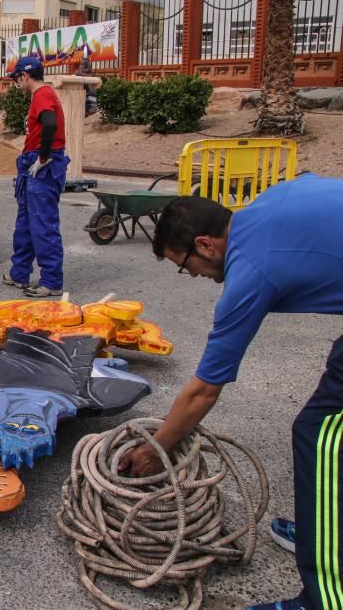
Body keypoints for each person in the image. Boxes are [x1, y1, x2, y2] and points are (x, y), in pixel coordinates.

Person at [120, 175, 343, 610]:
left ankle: (323, 599)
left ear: (206, 244)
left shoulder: (250, 272)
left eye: (186, 265)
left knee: (319, 434)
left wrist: (154, 449)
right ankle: (326, 529)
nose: (194, 276)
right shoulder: (275, 199)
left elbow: (203, 391)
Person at [4, 56, 70, 297]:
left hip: (43, 166)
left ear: (24, 76)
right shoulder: (42, 95)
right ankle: (19, 273)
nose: (17, 85)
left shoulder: (42, 94)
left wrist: (43, 157)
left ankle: (52, 281)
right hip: (33, 164)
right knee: (25, 223)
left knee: (42, 224)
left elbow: (50, 123)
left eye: (17, 80)